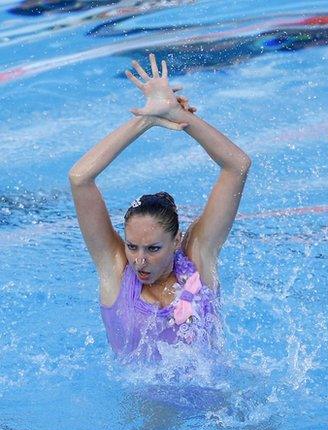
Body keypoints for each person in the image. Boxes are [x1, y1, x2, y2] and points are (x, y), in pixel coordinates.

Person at [69, 54, 251, 361]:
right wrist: (146, 120)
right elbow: (79, 178)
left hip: (215, 405)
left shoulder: (198, 256)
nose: (139, 260)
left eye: (153, 249)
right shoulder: (116, 270)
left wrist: (181, 117)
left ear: (176, 241)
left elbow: (237, 166)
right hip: (145, 409)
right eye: (132, 246)